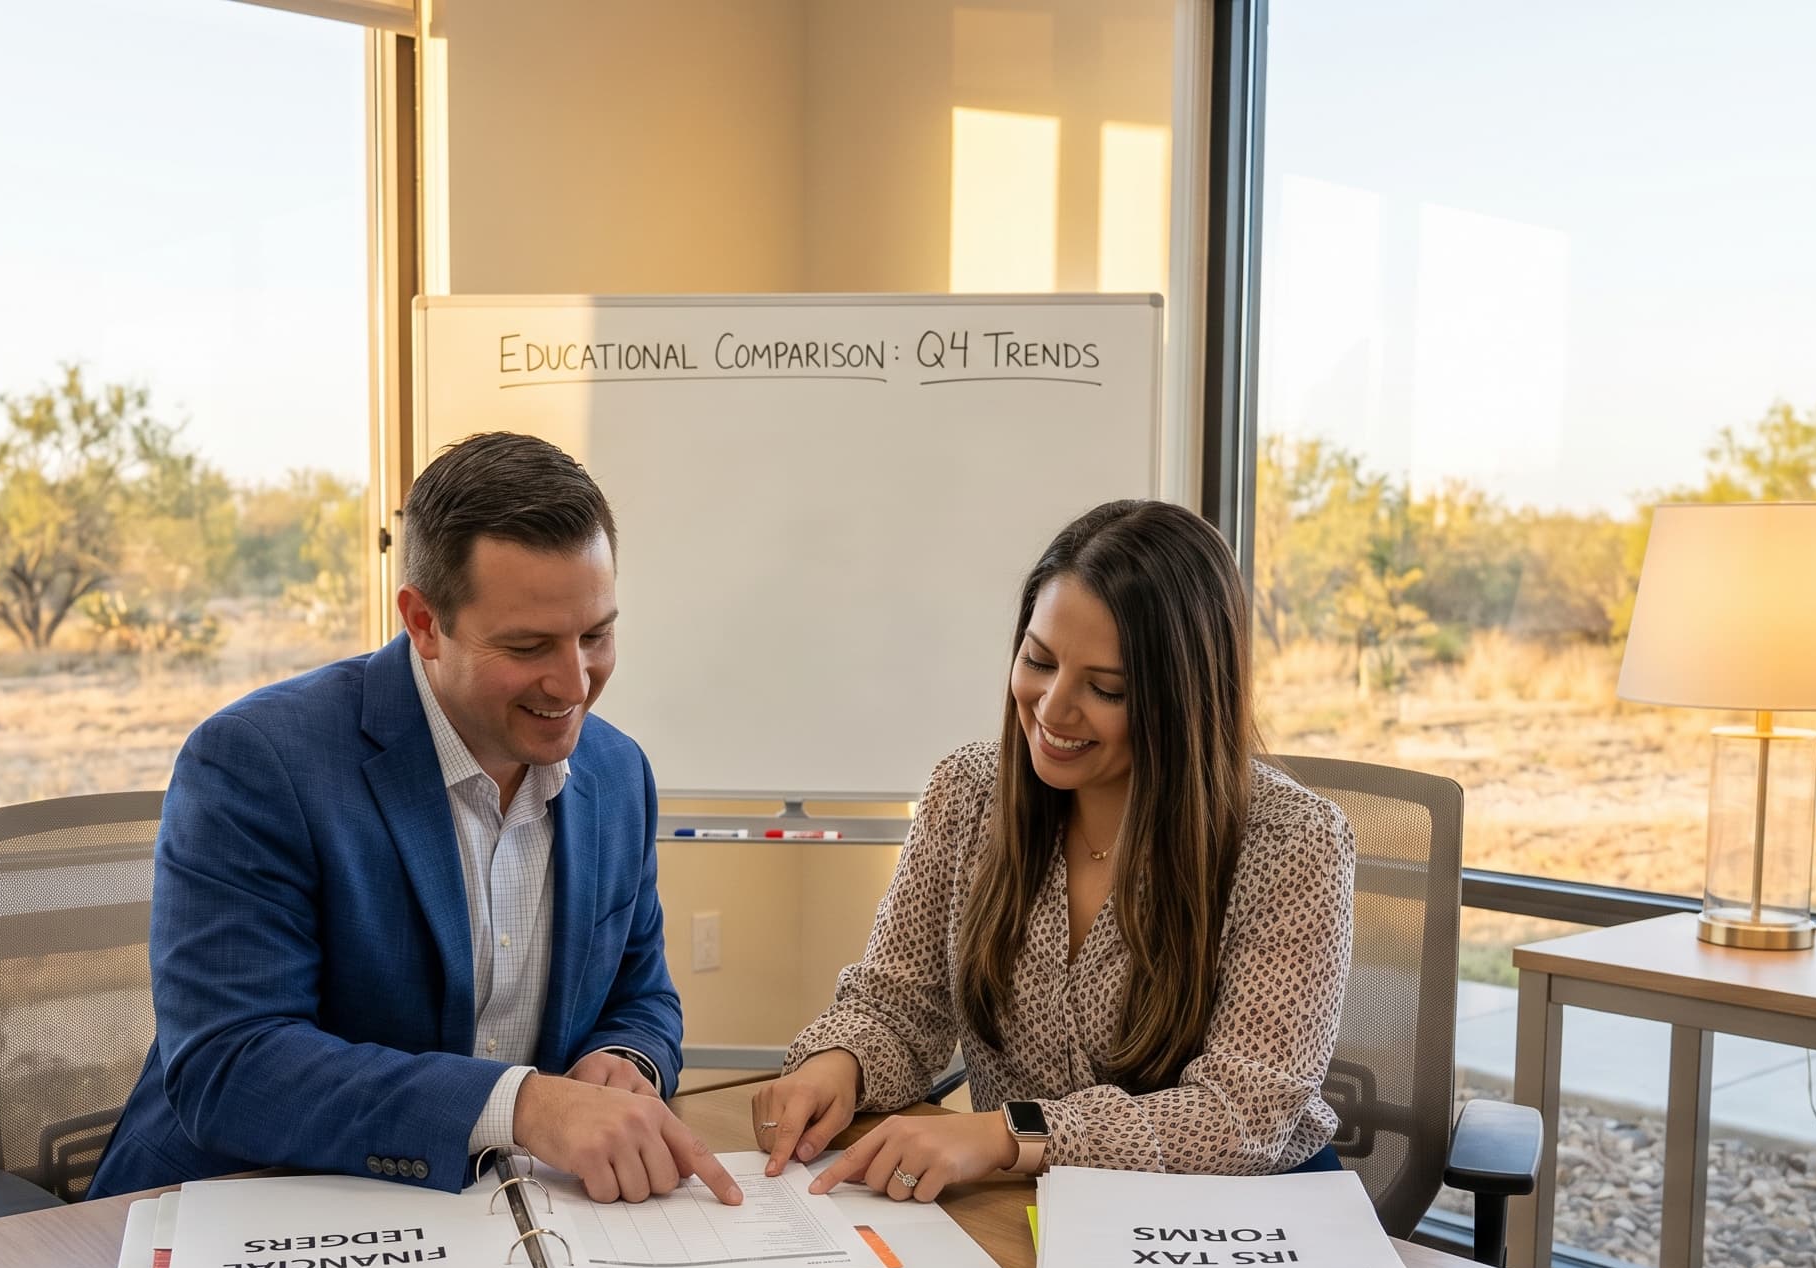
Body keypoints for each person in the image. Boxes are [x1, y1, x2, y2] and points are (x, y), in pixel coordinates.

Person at [89, 431, 741, 1206]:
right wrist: (521, 1105)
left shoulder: (617, 773)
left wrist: (626, 1058)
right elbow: (232, 1065)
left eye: (596, 634)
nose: (574, 682)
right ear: (424, 622)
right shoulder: (257, 762)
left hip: (496, 1225)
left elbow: (643, 996)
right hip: (246, 1215)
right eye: (529, 644)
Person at [752, 499, 1355, 1202]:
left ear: (1183, 701)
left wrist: (1013, 1135)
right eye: (1038, 660)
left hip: (1235, 1223)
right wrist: (839, 1062)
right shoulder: (969, 792)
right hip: (1033, 1211)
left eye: (1107, 689)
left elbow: (1243, 1116)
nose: (1052, 708)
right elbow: (897, 1005)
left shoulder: (1293, 843)